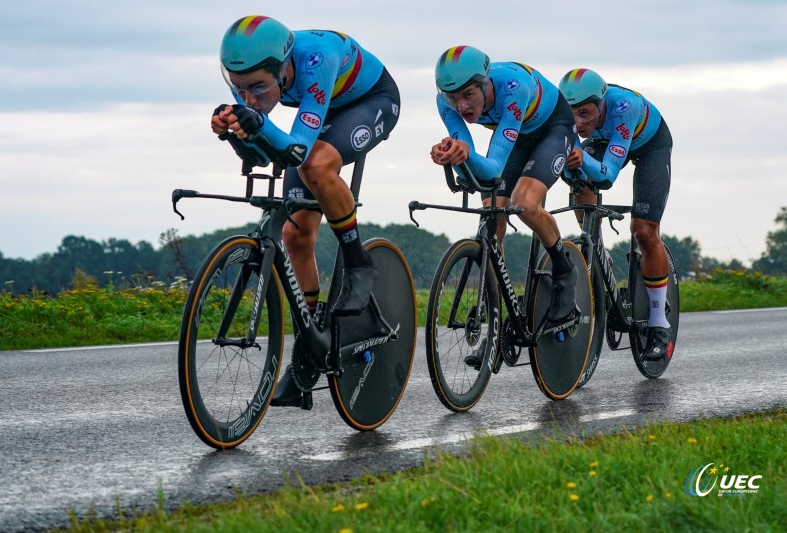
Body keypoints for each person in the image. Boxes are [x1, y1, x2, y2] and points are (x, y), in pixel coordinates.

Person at [212, 16, 400, 407]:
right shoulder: (261, 78)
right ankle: (308, 349)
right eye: (239, 89)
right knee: (295, 235)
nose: (248, 98)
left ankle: (358, 263)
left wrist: (258, 124)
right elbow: (267, 157)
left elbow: (296, 150)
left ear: (284, 69)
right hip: (323, 111)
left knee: (315, 164)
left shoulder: (316, 59)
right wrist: (236, 133)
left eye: (259, 87)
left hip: (370, 102)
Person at [430, 46, 579, 368]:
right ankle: (498, 327)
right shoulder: (447, 102)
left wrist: (465, 155)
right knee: (491, 217)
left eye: (469, 95)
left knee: (524, 203)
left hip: (553, 128)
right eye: (454, 98)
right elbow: (468, 157)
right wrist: (452, 155)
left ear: (485, 84)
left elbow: (493, 166)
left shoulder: (513, 88)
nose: (462, 106)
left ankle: (563, 267)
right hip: (515, 137)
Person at [557, 68, 674, 361]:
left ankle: (659, 323)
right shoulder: (577, 117)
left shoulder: (623, 107)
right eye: (572, 114)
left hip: (650, 146)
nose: (578, 122)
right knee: (579, 179)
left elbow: (608, 176)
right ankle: (597, 254)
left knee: (644, 230)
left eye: (585, 113)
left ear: (601, 103)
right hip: (605, 140)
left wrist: (584, 161)